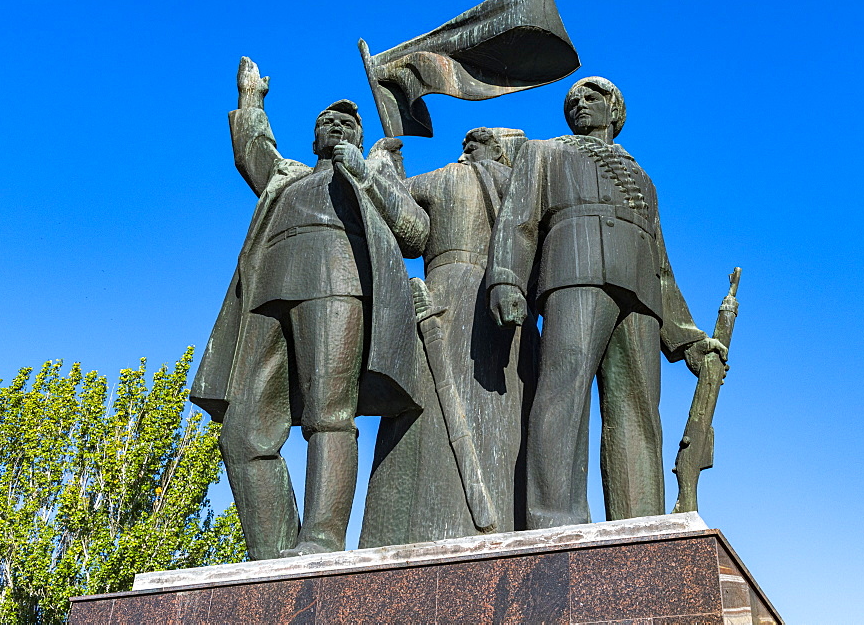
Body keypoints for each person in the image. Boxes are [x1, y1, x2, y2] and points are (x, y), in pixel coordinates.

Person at [190, 57, 429, 559]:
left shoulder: (370, 172)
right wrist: (251, 99)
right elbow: (254, 150)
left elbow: (414, 232)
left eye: (348, 122)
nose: (336, 126)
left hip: (339, 287)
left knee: (329, 414)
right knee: (241, 432)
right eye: (327, 122)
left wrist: (366, 171)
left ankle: (320, 537)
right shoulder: (286, 178)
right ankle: (271, 555)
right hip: (267, 295)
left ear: (360, 138)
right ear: (313, 137)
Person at [485, 76, 727, 529]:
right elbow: (518, 220)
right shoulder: (543, 152)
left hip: (639, 293)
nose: (579, 103)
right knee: (563, 393)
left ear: (614, 109)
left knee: (638, 414)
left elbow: (661, 263)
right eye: (572, 100)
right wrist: (506, 278)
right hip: (573, 274)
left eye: (590, 97)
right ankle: (554, 520)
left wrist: (688, 340)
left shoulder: (644, 180)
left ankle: (642, 527)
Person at [360, 127, 537, 546]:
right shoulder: (528, 191)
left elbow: (406, 225)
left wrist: (382, 165)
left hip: (448, 299)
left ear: (495, 150)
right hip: (515, 314)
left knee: (425, 434)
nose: (463, 150)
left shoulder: (449, 177)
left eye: (471, 143)